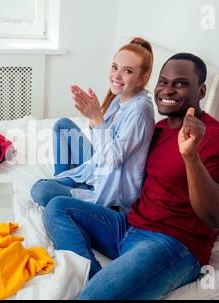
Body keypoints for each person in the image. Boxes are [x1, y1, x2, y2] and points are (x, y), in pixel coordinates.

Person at [42, 53, 219, 299]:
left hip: (171, 244)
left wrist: (191, 157)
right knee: (57, 206)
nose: (167, 90)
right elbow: (122, 169)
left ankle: (99, 289)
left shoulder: (218, 140)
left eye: (179, 83)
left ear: (201, 92)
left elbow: (218, 217)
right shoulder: (157, 130)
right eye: (163, 82)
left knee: (92, 300)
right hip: (128, 225)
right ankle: (93, 276)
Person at [31, 37, 156, 214]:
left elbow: (113, 160)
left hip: (109, 189)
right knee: (62, 126)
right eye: (114, 67)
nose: (116, 76)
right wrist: (91, 117)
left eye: (127, 71)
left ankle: (65, 191)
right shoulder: (120, 97)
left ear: (143, 78)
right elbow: (101, 142)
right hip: (97, 168)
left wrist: (97, 118)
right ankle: (63, 181)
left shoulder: (140, 110)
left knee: (40, 190)